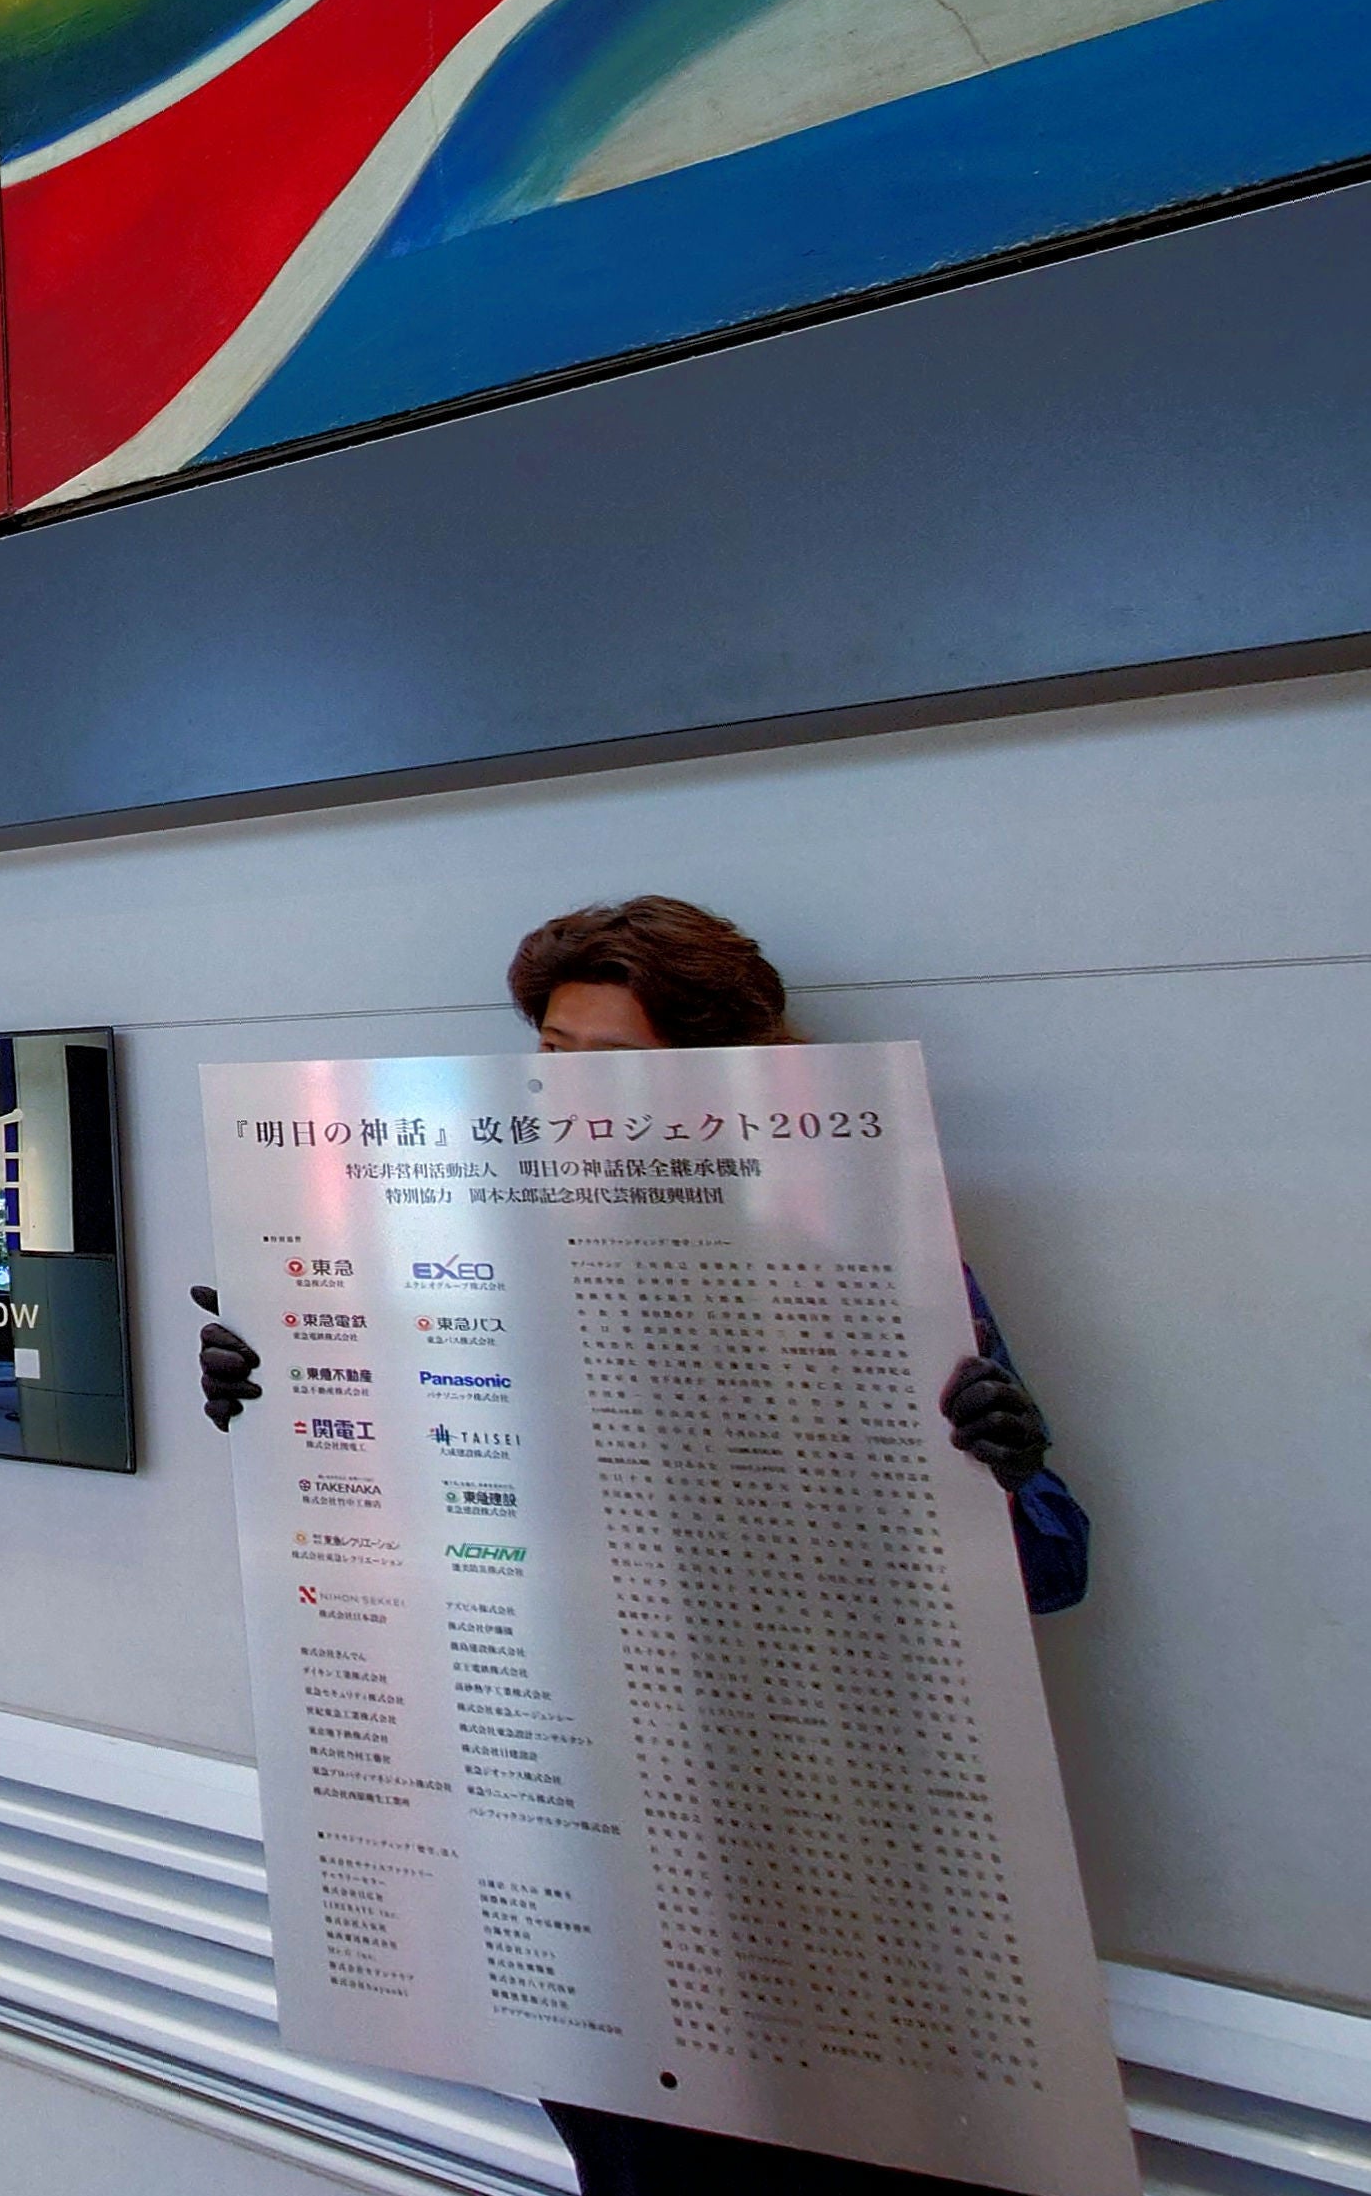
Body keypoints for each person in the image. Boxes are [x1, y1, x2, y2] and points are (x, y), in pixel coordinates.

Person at [196, 895, 1090, 2196]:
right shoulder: (457, 1261)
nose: (563, 1096)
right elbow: (400, 1534)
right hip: (582, 1856)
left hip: (821, 1870)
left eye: (607, 1067)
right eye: (550, 1057)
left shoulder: (858, 1263)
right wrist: (280, 1394)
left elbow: (1052, 1566)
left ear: (714, 1080)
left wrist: (1002, 1470)